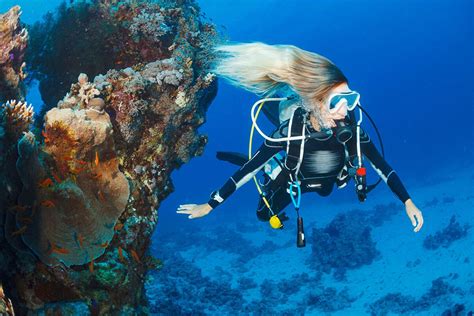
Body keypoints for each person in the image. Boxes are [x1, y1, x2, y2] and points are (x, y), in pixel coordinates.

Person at [177, 42, 424, 234]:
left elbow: (383, 167)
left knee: (326, 191)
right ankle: (272, 160)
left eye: (351, 99)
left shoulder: (352, 133)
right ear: (315, 101)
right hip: (293, 181)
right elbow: (250, 170)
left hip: (328, 181)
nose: (346, 110)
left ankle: (284, 105)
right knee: (263, 215)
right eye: (338, 101)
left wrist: (407, 201)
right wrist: (210, 205)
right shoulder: (290, 133)